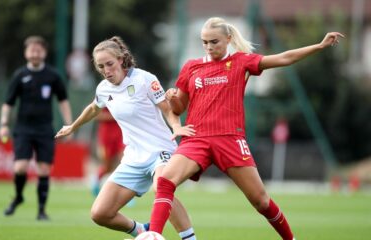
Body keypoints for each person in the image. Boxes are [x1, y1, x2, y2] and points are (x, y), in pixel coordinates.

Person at [148, 17, 344, 240]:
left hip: (230, 140)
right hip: (196, 139)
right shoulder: (191, 67)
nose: (209, 47)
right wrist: (173, 99)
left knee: (260, 201)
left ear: (228, 39)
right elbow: (179, 107)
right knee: (165, 182)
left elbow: (283, 58)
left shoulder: (242, 62)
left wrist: (319, 46)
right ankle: (153, 235)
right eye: (204, 42)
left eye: (214, 41)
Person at [55, 36, 197, 240]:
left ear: (121, 60)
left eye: (110, 64)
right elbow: (94, 108)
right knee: (100, 213)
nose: (106, 70)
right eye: (101, 66)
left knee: (162, 186)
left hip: (160, 150)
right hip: (134, 157)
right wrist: (73, 127)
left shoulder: (144, 79)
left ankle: (190, 239)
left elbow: (167, 109)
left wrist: (176, 127)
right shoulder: (103, 88)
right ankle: (140, 230)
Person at [0, 35, 73, 220]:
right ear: (26, 53)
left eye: (38, 50)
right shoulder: (20, 75)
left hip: (45, 129)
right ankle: (18, 197)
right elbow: (8, 103)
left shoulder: (53, 76)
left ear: (44, 53)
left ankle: (41, 210)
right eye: (32, 50)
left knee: (44, 170)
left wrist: (70, 125)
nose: (35, 53)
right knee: (20, 167)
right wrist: (3, 125)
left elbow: (63, 101)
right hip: (23, 129)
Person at [92, 108, 125, 196]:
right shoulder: (104, 95)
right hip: (106, 137)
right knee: (107, 167)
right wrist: (114, 116)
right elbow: (95, 114)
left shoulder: (123, 95)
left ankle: (126, 193)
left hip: (121, 135)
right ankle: (96, 180)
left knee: (125, 162)